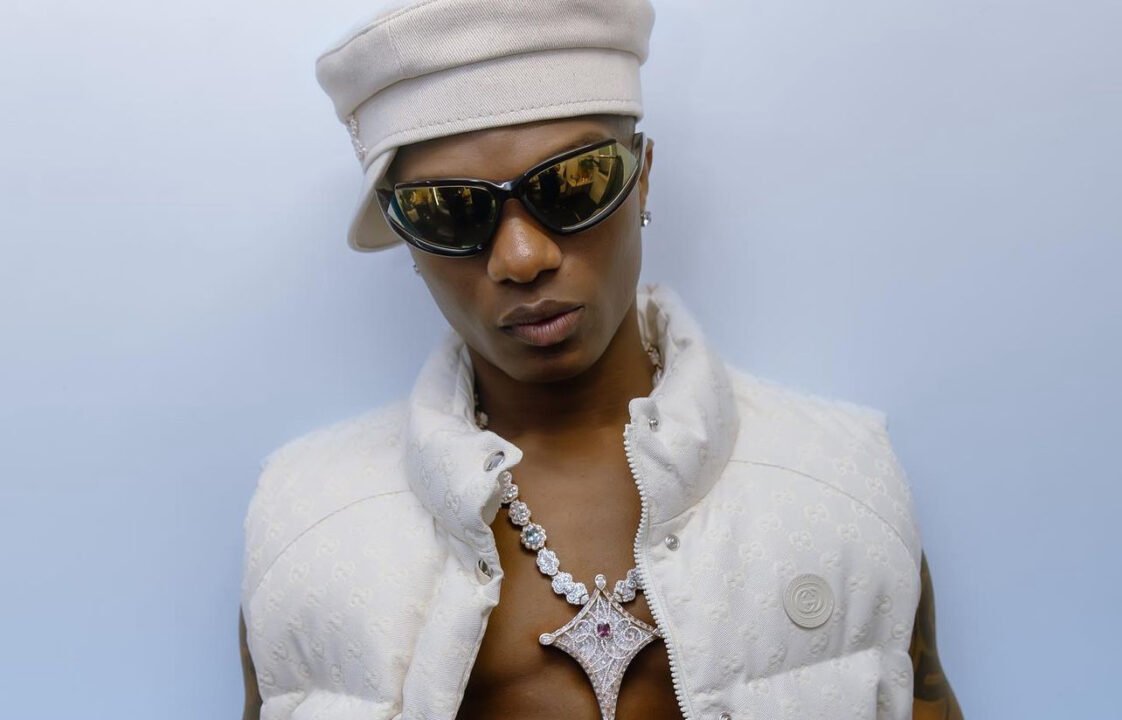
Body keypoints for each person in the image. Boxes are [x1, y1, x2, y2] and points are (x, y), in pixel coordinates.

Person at [238, 1, 962, 719]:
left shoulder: (840, 478)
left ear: (641, 177)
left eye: (572, 184)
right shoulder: (307, 527)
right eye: (451, 211)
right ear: (407, 236)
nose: (522, 258)